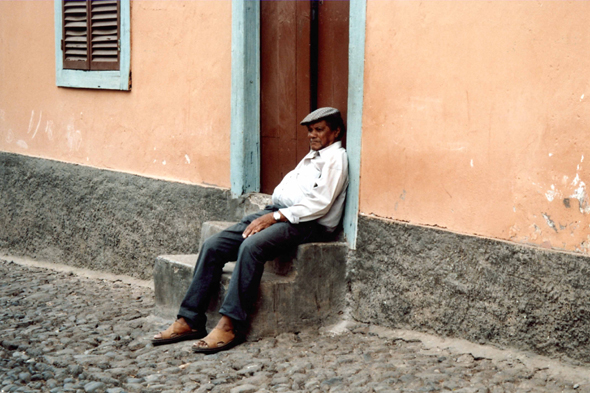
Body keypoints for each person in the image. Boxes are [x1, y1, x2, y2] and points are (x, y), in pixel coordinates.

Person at [152, 107, 349, 353]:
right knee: (214, 245)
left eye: (319, 129)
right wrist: (273, 213)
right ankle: (190, 319)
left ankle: (230, 323)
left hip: (308, 223)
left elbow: (319, 204)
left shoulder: (335, 159)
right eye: (310, 130)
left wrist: (274, 217)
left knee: (252, 246)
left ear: (336, 131)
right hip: (280, 212)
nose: (312, 135)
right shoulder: (314, 155)